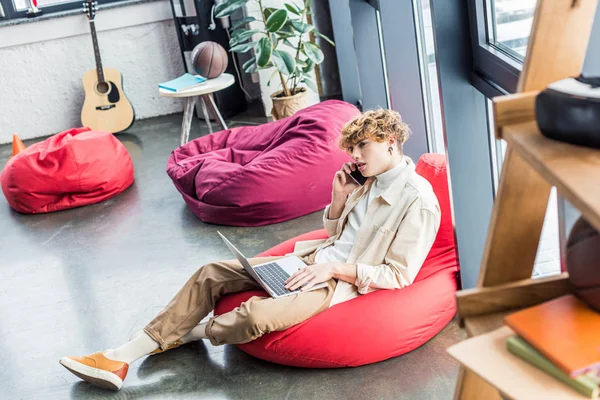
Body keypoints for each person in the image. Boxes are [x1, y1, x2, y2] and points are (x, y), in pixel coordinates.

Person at [59, 108, 441, 390]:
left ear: (391, 143)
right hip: (310, 260)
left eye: (362, 146)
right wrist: (338, 200)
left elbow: (398, 275)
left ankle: (174, 337)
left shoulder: (418, 202)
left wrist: (333, 271)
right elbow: (337, 234)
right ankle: (122, 356)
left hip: (336, 284)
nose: (354, 156)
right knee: (212, 272)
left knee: (253, 318)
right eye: (353, 147)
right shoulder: (365, 179)